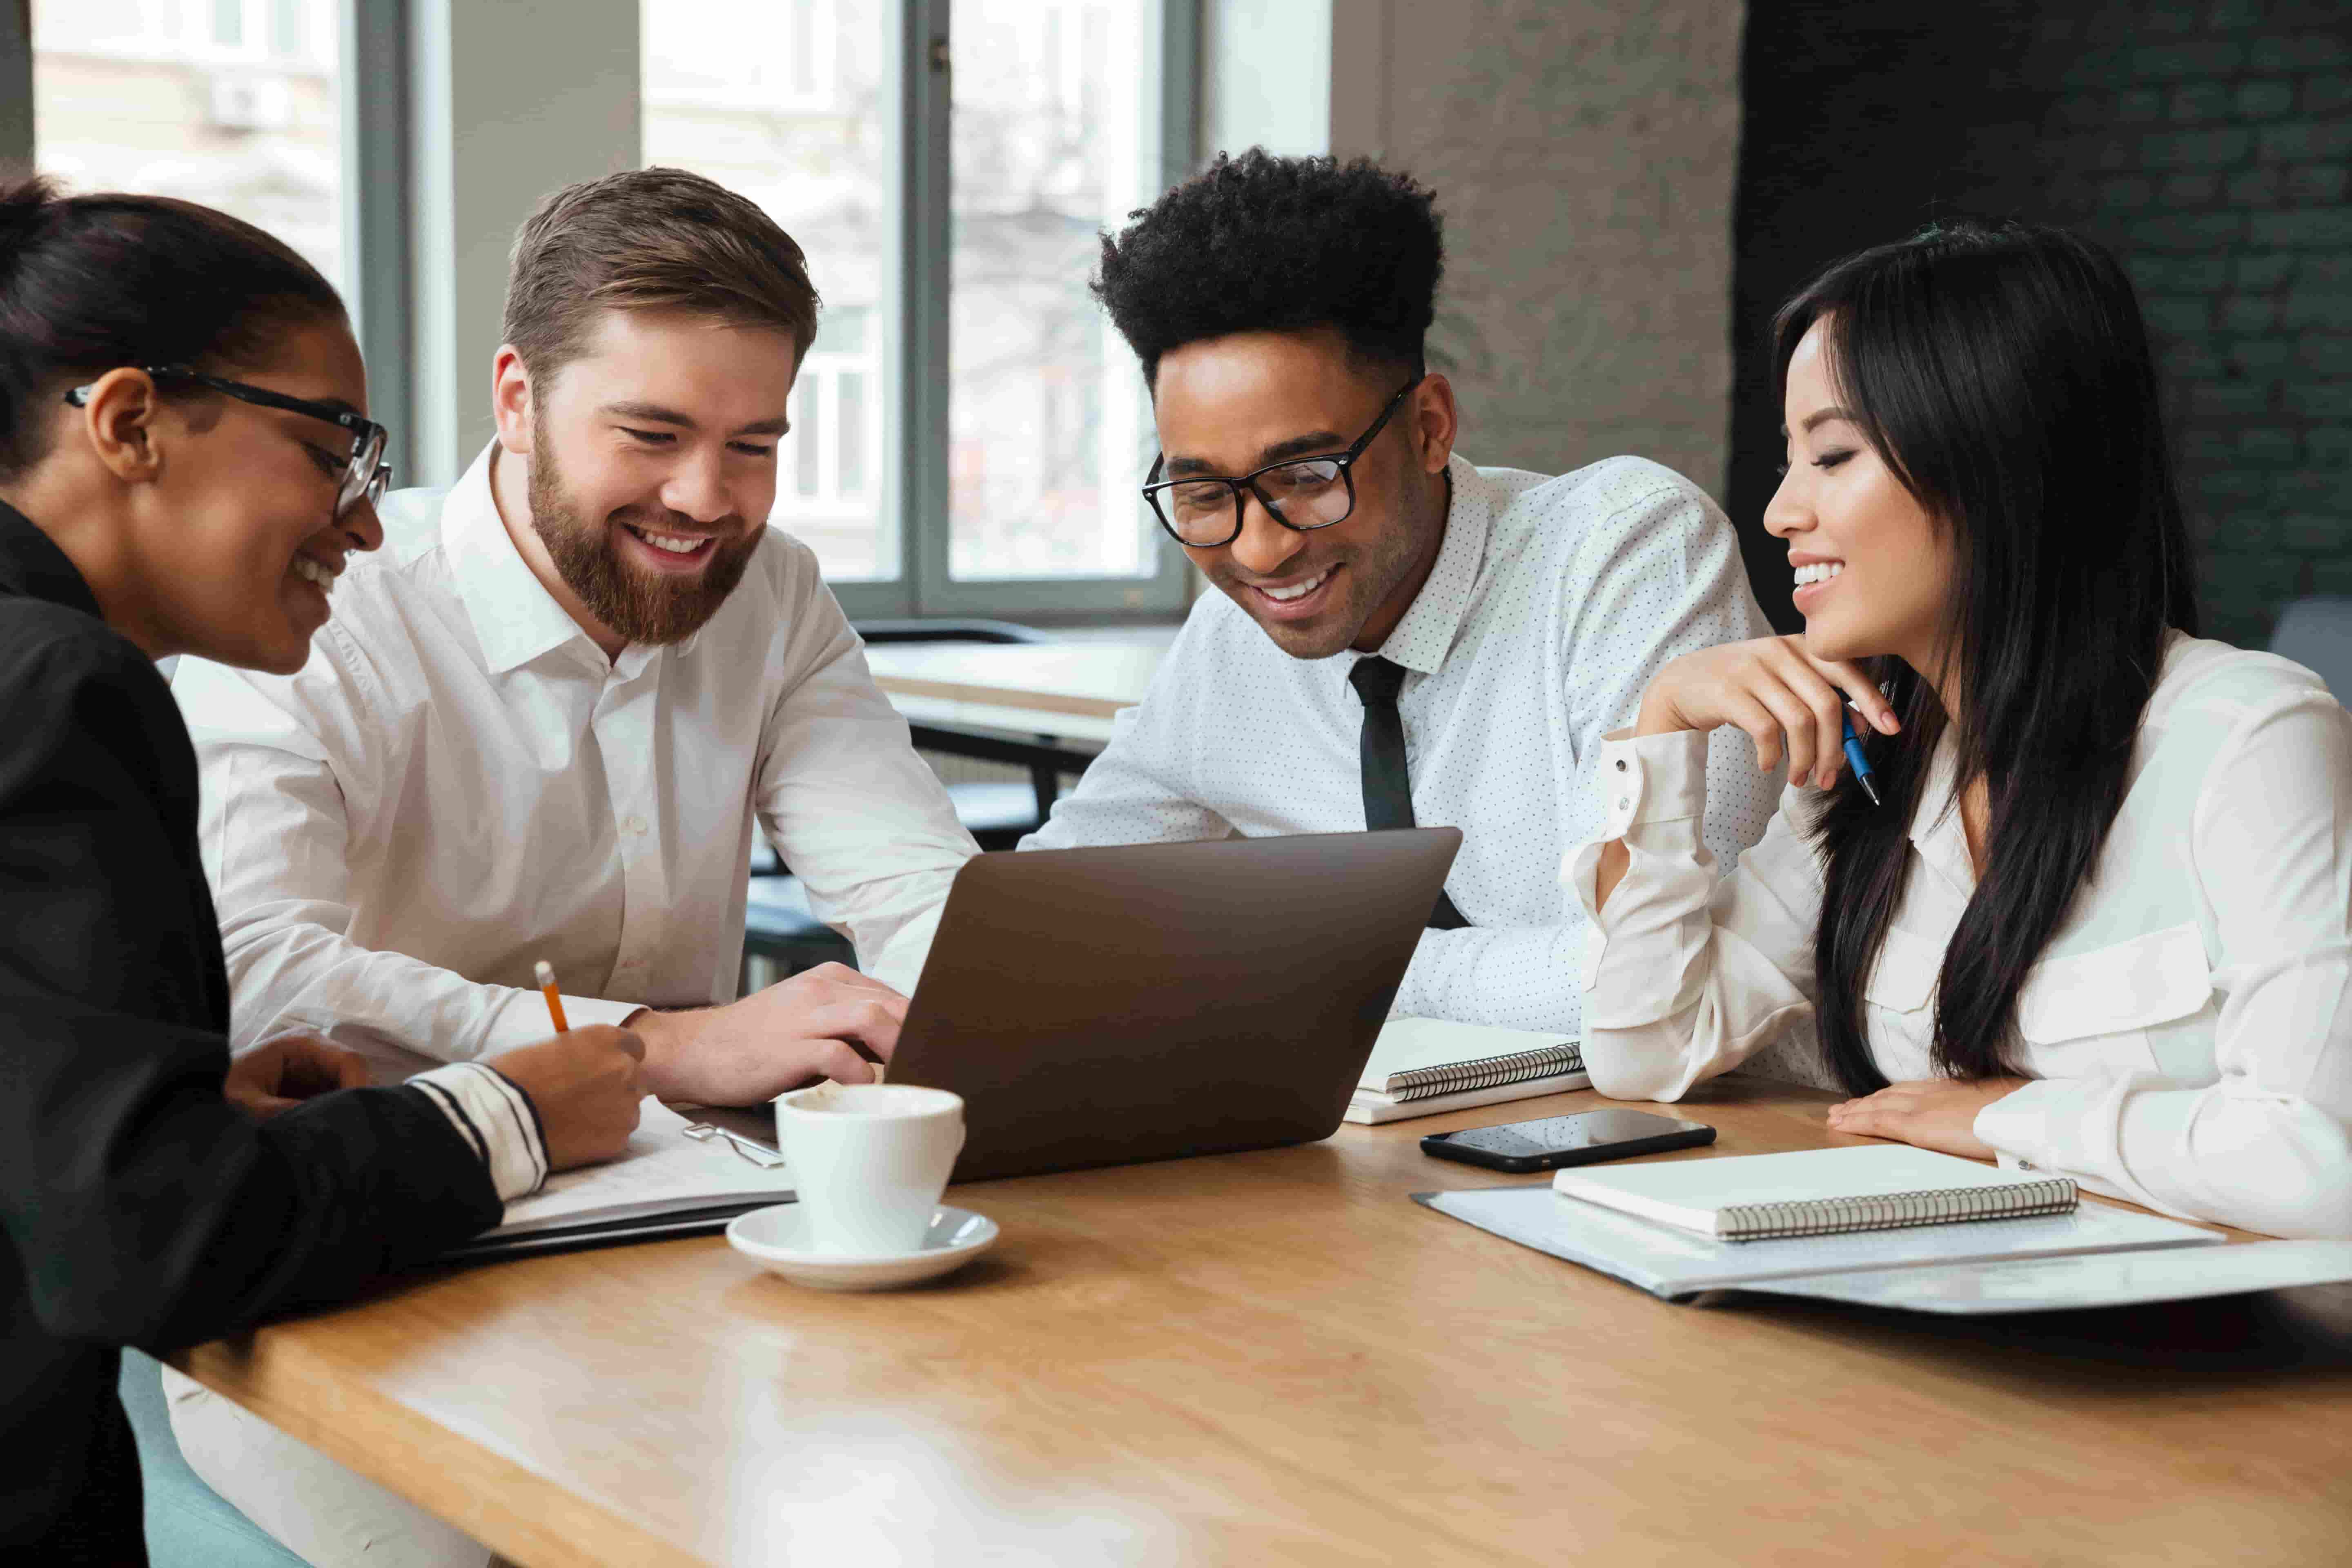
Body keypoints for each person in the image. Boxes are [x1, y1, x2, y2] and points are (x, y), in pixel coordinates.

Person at [164, 167, 976, 1565]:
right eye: (652, 433)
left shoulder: (772, 593)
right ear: (518, 397)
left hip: (696, 1233)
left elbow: (918, 893)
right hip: (355, 1268)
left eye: (755, 445)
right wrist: (656, 1048)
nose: (705, 499)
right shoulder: (327, 601)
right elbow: (250, 973)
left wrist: (1010, 1021)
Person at [0, 176, 646, 1564]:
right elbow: (152, 1247)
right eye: (337, 450)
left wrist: (165, 1112)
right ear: (130, 424)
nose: (363, 524)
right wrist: (505, 1117)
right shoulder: (64, 689)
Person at [1576, 218, 2352, 1239]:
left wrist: (2011, 1117)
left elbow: (2323, 1161)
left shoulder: (2249, 739)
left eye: (1834, 455)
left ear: (1997, 459)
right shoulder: (1880, 763)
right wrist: (1667, 720)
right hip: (1929, 1312)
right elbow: (1647, 1048)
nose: (1779, 512)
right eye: (1790, 460)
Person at [1023, 150, 1777, 1035]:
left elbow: (1657, 982)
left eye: (1306, 476)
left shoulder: (1625, 551)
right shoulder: (1235, 639)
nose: (1260, 551)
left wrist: (1295, 961)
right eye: (1202, 494)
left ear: (1429, 427)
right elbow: (1046, 913)